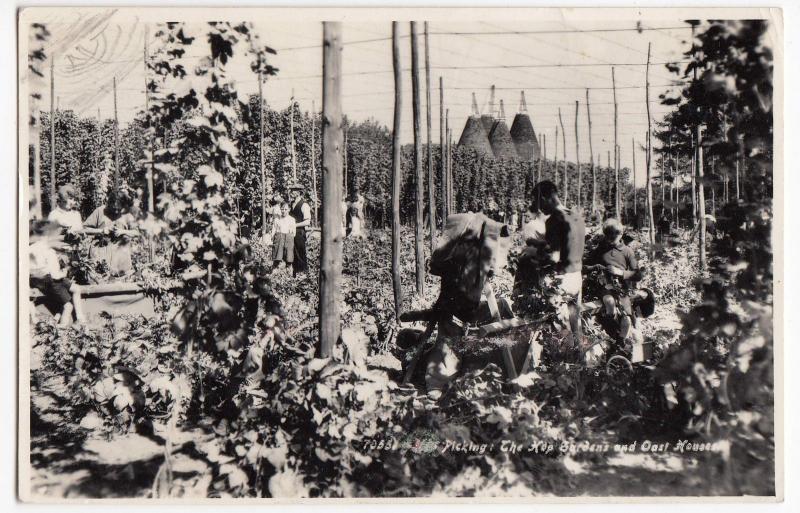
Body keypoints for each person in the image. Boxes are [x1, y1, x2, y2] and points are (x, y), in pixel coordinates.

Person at [530, 180, 586, 337]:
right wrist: (540, 243)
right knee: (576, 325)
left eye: (538, 201)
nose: (539, 207)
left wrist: (533, 256)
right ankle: (581, 359)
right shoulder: (576, 217)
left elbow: (554, 257)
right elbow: (568, 245)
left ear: (546, 197)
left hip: (561, 281)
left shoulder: (554, 220)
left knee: (561, 329)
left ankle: (562, 359)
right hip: (576, 277)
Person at [586, 218, 642, 343]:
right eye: (607, 236)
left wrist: (620, 272)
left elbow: (638, 275)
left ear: (620, 234)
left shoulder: (627, 251)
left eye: (613, 236)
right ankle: (611, 333)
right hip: (605, 287)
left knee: (628, 320)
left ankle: (620, 343)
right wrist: (595, 267)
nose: (610, 239)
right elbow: (585, 266)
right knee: (609, 302)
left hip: (622, 289)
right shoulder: (601, 249)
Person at [83, 190, 138, 278]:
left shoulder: (126, 214)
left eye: (119, 209)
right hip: (100, 257)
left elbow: (136, 232)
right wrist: (101, 231)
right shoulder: (100, 211)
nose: (116, 212)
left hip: (120, 260)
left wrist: (122, 231)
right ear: (109, 204)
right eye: (114, 209)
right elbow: (84, 228)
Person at [29, 220, 74, 325]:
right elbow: (55, 275)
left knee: (57, 302)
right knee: (68, 306)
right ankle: (62, 331)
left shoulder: (29, 248)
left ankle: (56, 319)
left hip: (35, 282)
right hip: (49, 282)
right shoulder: (49, 251)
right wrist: (65, 272)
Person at [288, 183, 311, 276]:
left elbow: (307, 222)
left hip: (299, 233)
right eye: (291, 190)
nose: (291, 192)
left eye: (293, 191)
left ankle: (303, 275)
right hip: (292, 233)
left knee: (300, 254)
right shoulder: (291, 204)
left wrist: (294, 225)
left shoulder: (304, 205)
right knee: (293, 254)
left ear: (298, 192)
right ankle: (295, 275)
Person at [270, 203, 295, 268]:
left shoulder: (292, 220)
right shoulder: (277, 219)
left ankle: (288, 269)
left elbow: (293, 233)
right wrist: (272, 239)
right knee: (277, 256)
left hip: (288, 239)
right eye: (282, 209)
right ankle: (275, 269)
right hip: (279, 239)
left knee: (288, 257)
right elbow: (274, 230)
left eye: (285, 209)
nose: (283, 211)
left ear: (289, 209)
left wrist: (289, 236)